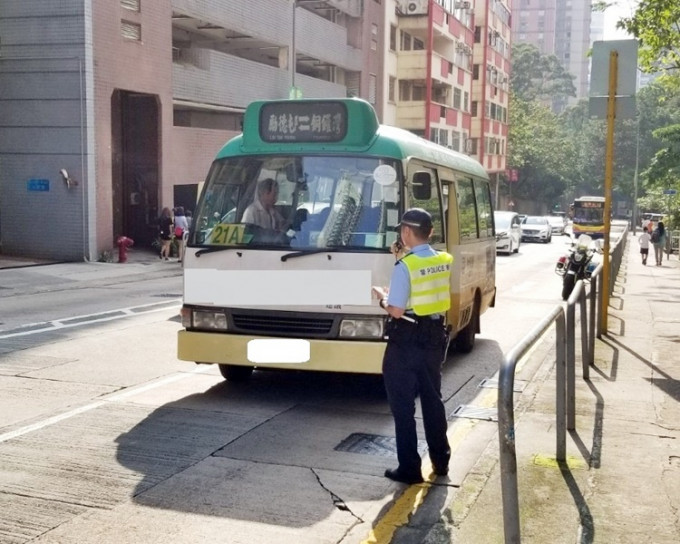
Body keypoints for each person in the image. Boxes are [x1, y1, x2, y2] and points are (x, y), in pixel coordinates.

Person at [372, 208, 453, 485]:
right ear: (429, 232)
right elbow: (424, 288)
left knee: (403, 407)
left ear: (406, 232)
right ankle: (441, 460)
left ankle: (409, 468)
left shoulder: (405, 266)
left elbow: (396, 310)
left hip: (405, 340)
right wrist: (402, 259)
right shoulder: (443, 259)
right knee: (433, 400)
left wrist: (382, 298)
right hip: (433, 338)